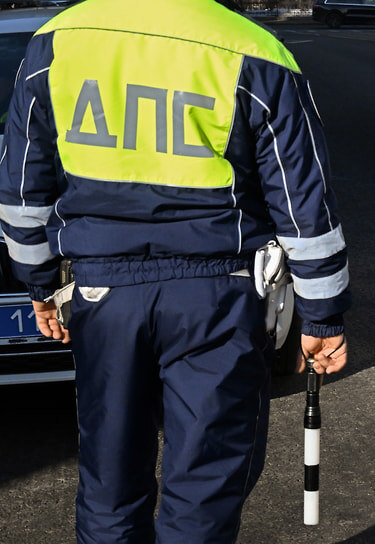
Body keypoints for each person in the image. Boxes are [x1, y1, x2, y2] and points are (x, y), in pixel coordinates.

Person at [0, 0, 350, 542]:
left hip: (103, 291)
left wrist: (40, 284)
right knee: (204, 484)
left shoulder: (57, 40)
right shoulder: (253, 49)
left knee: (109, 481)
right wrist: (322, 316)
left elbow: (24, 186)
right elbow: (304, 202)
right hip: (216, 296)